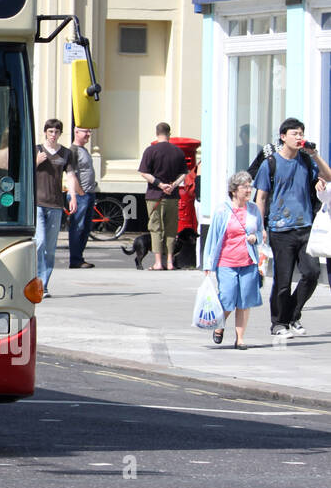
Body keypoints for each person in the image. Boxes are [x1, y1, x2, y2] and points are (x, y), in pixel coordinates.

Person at [254, 117, 331, 336]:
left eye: (301, 133)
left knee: (312, 273)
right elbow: (261, 197)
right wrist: (261, 227)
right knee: (283, 280)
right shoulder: (271, 163)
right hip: (280, 230)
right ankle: (278, 323)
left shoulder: (306, 162)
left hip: (305, 227)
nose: (299, 137)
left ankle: (292, 315)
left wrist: (314, 154)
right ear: (283, 136)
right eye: (294, 134)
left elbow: (328, 176)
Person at [202, 171, 264, 349]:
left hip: (248, 261)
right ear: (234, 190)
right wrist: (208, 263)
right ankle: (220, 325)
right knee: (228, 297)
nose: (249, 190)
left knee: (244, 300)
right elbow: (213, 237)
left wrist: (256, 238)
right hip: (226, 262)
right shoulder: (222, 210)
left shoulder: (253, 210)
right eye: (245, 187)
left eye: (250, 186)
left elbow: (260, 231)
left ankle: (240, 338)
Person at [137, 122, 187, 270]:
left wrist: (160, 184)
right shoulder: (178, 151)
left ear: (157, 133)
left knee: (155, 228)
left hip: (155, 196)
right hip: (172, 196)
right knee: (171, 229)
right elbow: (184, 173)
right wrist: (173, 185)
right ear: (169, 133)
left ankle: (158, 262)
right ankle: (170, 262)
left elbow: (144, 173)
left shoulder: (150, 151)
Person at [34, 119, 70, 296]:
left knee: (50, 247)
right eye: (50, 132)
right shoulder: (37, 149)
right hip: (38, 203)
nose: (53, 135)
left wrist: (74, 196)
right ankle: (36, 280)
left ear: (60, 134)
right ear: (45, 132)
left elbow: (70, 175)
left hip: (56, 204)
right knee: (39, 242)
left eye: (56, 132)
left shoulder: (65, 153)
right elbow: (24, 170)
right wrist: (36, 161)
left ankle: (44, 285)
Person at [67, 125, 97, 268]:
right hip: (80, 195)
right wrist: (80, 193)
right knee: (77, 227)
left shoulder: (84, 150)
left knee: (86, 227)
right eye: (85, 131)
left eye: (89, 131)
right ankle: (75, 259)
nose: (88, 134)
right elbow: (70, 174)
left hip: (89, 193)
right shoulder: (73, 151)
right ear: (76, 132)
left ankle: (79, 258)